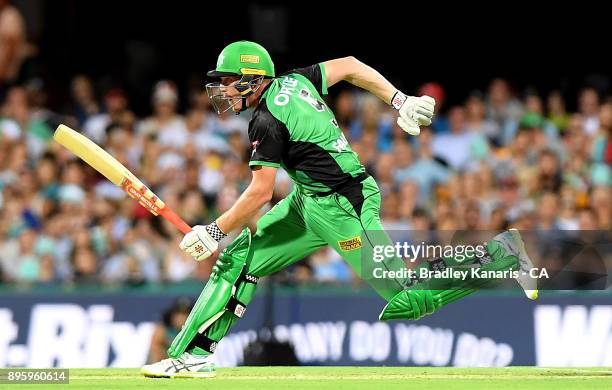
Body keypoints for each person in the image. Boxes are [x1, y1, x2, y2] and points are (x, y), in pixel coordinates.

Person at [141, 41, 538, 378]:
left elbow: (261, 193)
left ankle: (501, 255)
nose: (223, 91)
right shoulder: (295, 80)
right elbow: (349, 66)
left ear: (252, 78)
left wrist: (213, 229)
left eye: (228, 82)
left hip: (346, 205)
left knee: (410, 298)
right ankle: (192, 354)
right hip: (309, 199)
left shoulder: (265, 120)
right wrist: (399, 99)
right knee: (239, 259)